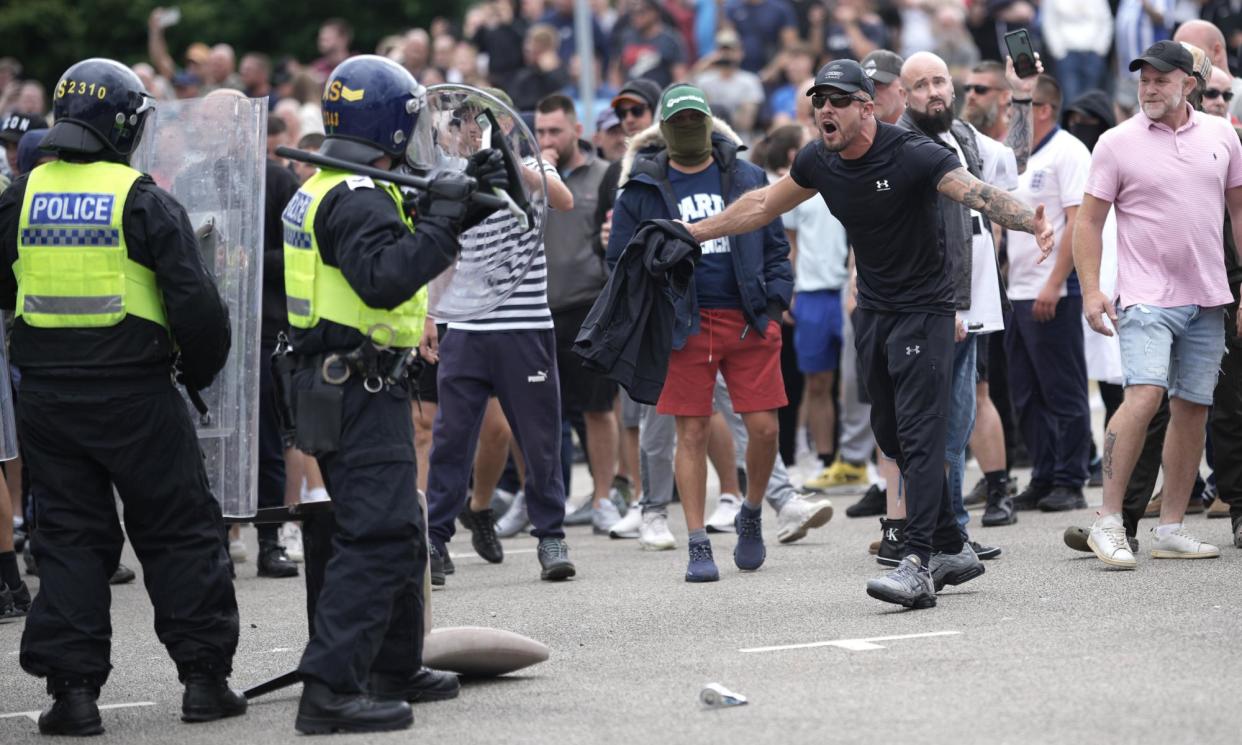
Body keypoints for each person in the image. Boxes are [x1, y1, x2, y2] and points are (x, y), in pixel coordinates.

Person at [686, 59, 1052, 608]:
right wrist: (690, 232)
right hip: (874, 311)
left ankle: (919, 561)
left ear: (867, 106)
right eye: (819, 102)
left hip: (927, 310)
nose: (825, 110)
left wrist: (1031, 222)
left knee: (921, 433)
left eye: (838, 101)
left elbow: (974, 192)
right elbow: (762, 204)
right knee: (890, 433)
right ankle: (953, 546)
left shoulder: (913, 153)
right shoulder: (819, 160)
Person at [0, 57, 244, 735]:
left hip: (49, 399)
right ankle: (203, 681)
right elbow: (196, 306)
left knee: (71, 542)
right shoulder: (141, 197)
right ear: (126, 125)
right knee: (177, 533)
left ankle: (72, 697)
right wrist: (195, 374)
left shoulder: (20, 194)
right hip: (138, 396)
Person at [282, 55, 475, 732]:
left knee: (398, 524)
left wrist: (454, 211)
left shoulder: (335, 186)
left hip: (351, 380)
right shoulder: (357, 198)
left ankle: (394, 666)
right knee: (381, 534)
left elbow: (397, 252)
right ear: (388, 127)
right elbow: (386, 277)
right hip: (354, 385)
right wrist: (443, 226)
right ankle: (330, 688)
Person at [607, 83, 801, 582]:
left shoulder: (746, 174)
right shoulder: (643, 188)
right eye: (680, 121)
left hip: (749, 319)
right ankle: (697, 543)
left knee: (764, 429)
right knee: (690, 431)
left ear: (710, 122)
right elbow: (620, 263)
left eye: (697, 119)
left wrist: (776, 302)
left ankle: (752, 511)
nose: (690, 128)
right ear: (665, 129)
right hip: (682, 325)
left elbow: (777, 246)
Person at [1076, 41, 1242, 568]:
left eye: (1161, 78)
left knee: (1193, 407)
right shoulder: (1115, 143)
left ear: (1189, 83)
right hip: (1145, 297)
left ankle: (1171, 526)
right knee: (1144, 397)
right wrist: (1090, 289)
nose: (1149, 86)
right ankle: (1107, 520)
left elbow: (1240, 212)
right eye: (1144, 78)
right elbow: (1088, 222)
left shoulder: (1223, 135)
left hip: (1209, 296)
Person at [422, 91, 578, 585]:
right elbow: (442, 253)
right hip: (466, 326)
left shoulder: (534, 162)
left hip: (524, 324)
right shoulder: (449, 176)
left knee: (539, 437)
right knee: (450, 438)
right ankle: (435, 538)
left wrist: (508, 160)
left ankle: (551, 535)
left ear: (503, 122)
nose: (468, 128)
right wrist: (428, 314)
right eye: (460, 120)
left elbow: (562, 199)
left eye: (478, 119)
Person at [1003, 73, 1093, 513]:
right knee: (1026, 391)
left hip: (1053, 288)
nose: (1009, 114)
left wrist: (1055, 282)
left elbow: (1078, 223)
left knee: (1063, 387)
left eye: (1019, 106)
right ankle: (1042, 474)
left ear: (1043, 109)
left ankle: (1071, 477)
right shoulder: (1016, 154)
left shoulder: (1069, 152)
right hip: (1016, 288)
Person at [534, 94, 620, 533]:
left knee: (597, 408)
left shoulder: (604, 174)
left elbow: (612, 240)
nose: (547, 139)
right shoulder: (528, 175)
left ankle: (605, 497)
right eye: (541, 131)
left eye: (555, 131)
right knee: (539, 413)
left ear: (577, 131)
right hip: (535, 309)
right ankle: (544, 501)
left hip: (587, 306)